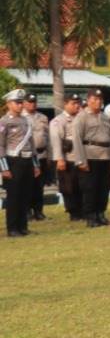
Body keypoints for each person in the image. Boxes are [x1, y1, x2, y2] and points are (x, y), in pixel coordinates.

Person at [71, 90, 110, 227]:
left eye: (100, 99)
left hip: (104, 156)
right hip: (90, 156)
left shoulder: (105, 117)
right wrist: (80, 160)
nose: (98, 102)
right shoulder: (81, 117)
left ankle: (101, 214)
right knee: (90, 189)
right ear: (89, 100)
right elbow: (77, 139)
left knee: (104, 188)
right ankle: (91, 217)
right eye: (95, 99)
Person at [1, 89, 39, 237]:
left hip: (27, 160)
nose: (19, 105)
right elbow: (1, 146)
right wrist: (4, 168)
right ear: (9, 104)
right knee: (14, 196)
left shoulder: (26, 121)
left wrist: (35, 164)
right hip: (13, 161)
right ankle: (12, 228)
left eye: (21, 102)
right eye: (17, 102)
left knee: (25, 195)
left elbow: (32, 144)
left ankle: (23, 226)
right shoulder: (4, 122)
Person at [49, 93, 83, 221]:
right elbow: (56, 141)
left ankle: (82, 210)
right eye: (73, 103)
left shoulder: (81, 118)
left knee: (81, 186)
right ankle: (73, 212)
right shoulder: (58, 121)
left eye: (78, 103)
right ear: (65, 104)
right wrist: (59, 159)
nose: (77, 106)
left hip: (80, 159)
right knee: (69, 187)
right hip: (67, 158)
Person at [23, 94, 49, 221]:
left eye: (34, 102)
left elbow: (47, 137)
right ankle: (27, 211)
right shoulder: (21, 117)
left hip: (41, 155)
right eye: (29, 102)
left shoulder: (43, 117)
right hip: (27, 156)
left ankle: (38, 211)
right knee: (28, 185)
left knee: (39, 186)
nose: (32, 104)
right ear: (24, 103)